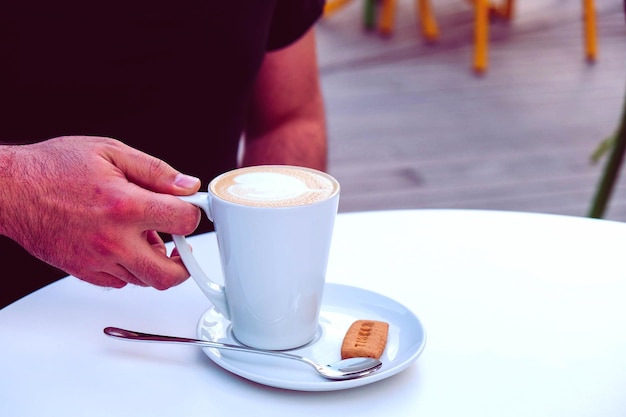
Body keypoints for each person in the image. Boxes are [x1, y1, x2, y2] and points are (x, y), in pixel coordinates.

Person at [0, 0, 328, 307]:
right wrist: (20, 191)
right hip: (14, 300)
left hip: (203, 295)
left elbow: (288, 118)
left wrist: (263, 276)